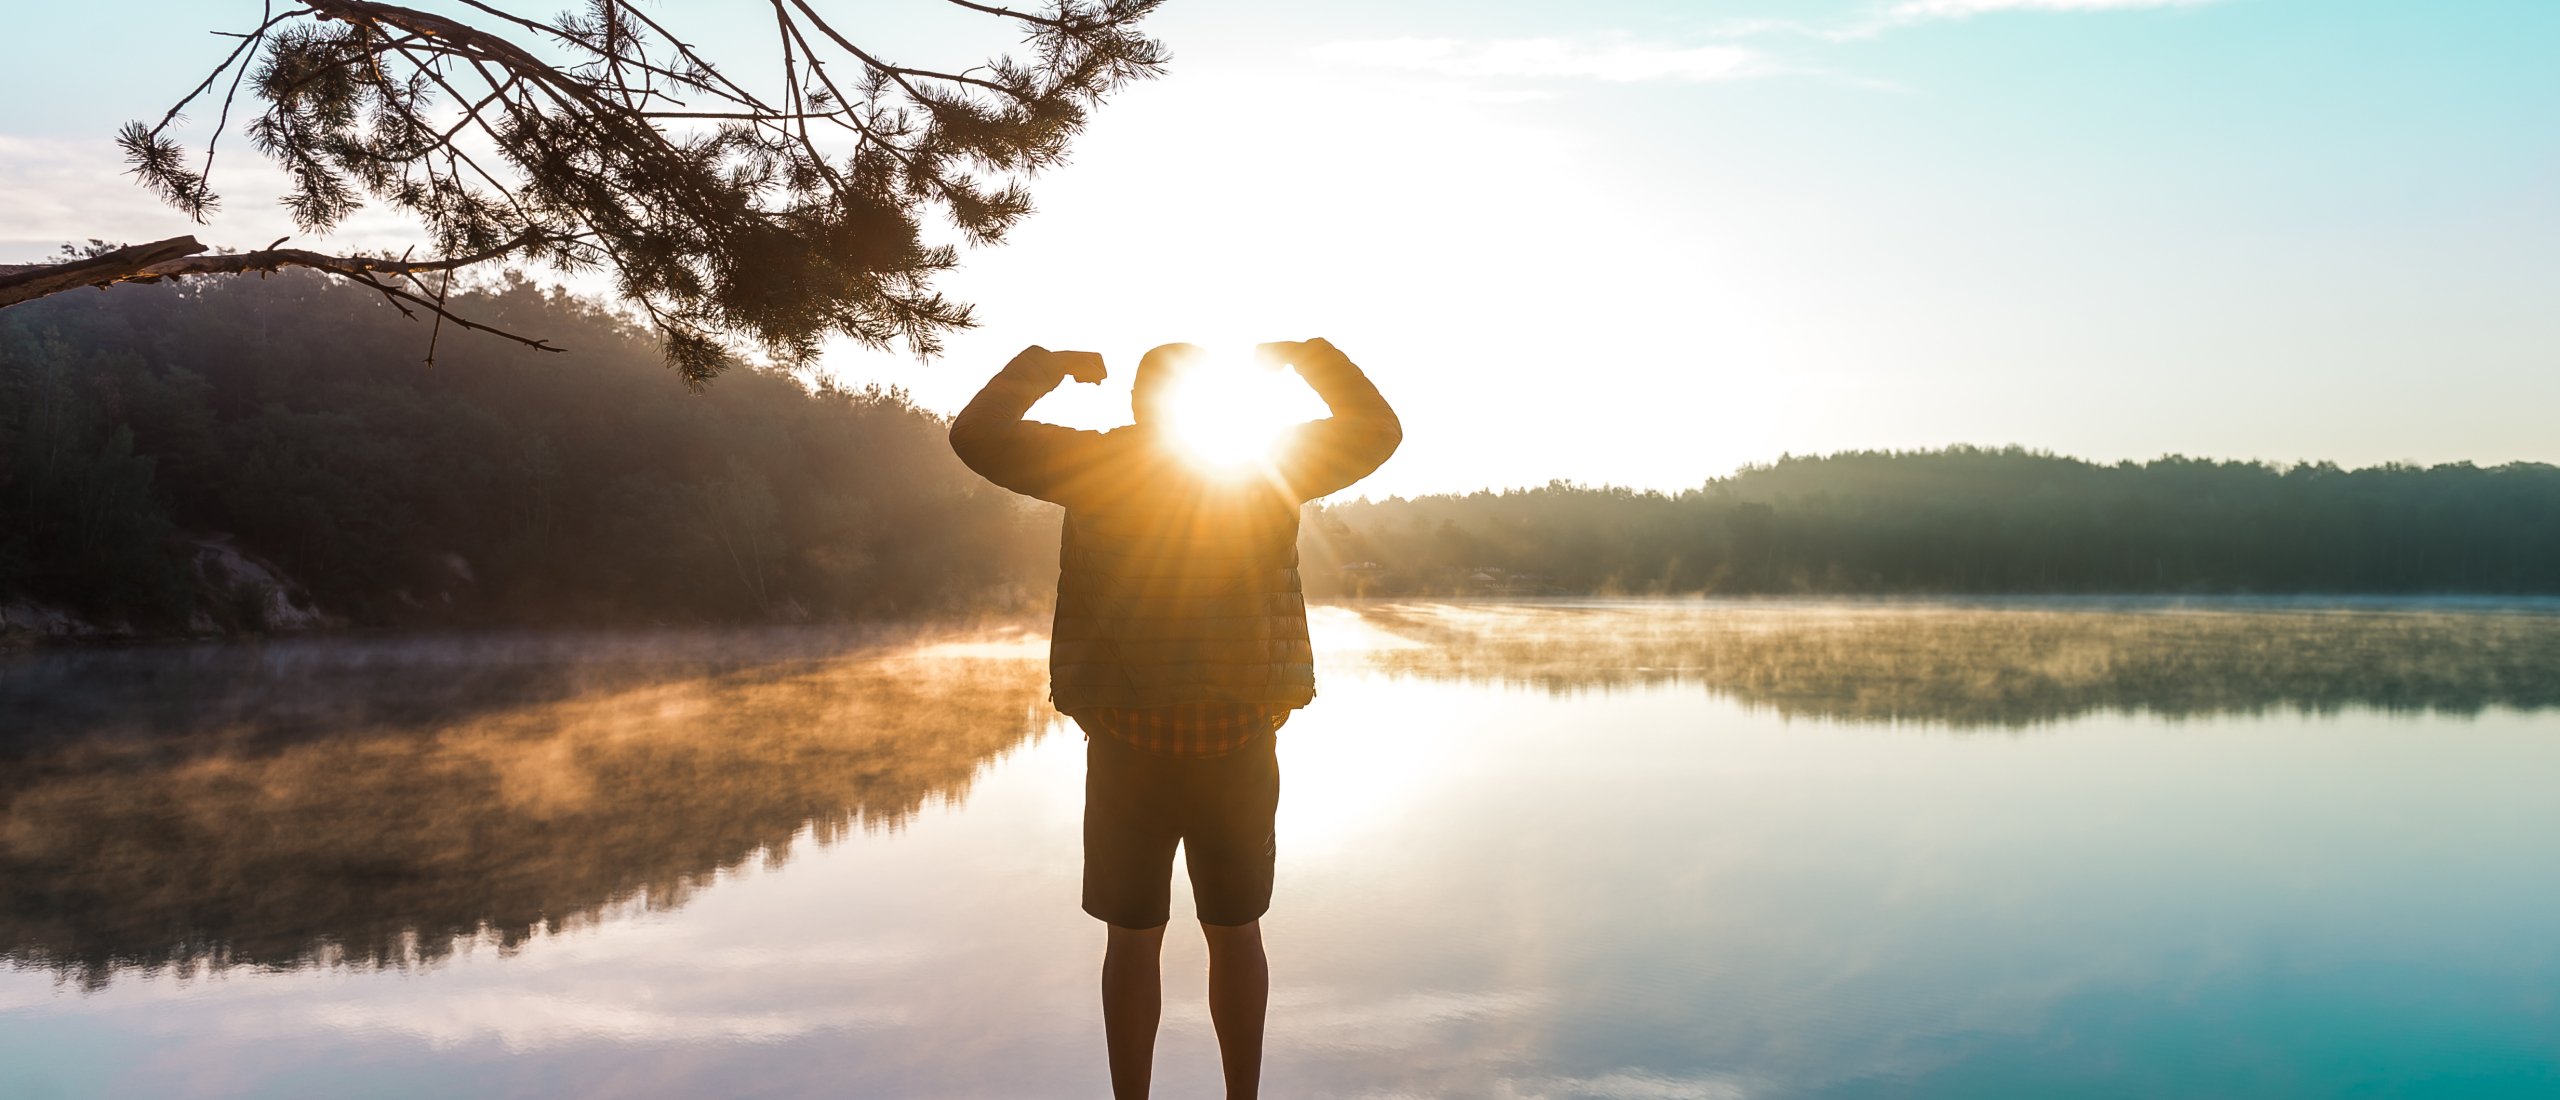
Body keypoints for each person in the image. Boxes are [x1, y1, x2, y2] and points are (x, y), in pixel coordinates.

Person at [949, 338, 1400, 1100]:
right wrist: (1308, 359)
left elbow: (974, 435)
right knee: (1236, 935)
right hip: (1237, 743)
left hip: (1129, 746)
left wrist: (1049, 367)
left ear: (1136, 403)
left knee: (1131, 940)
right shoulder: (1261, 469)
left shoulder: (1096, 467)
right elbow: (1376, 430)